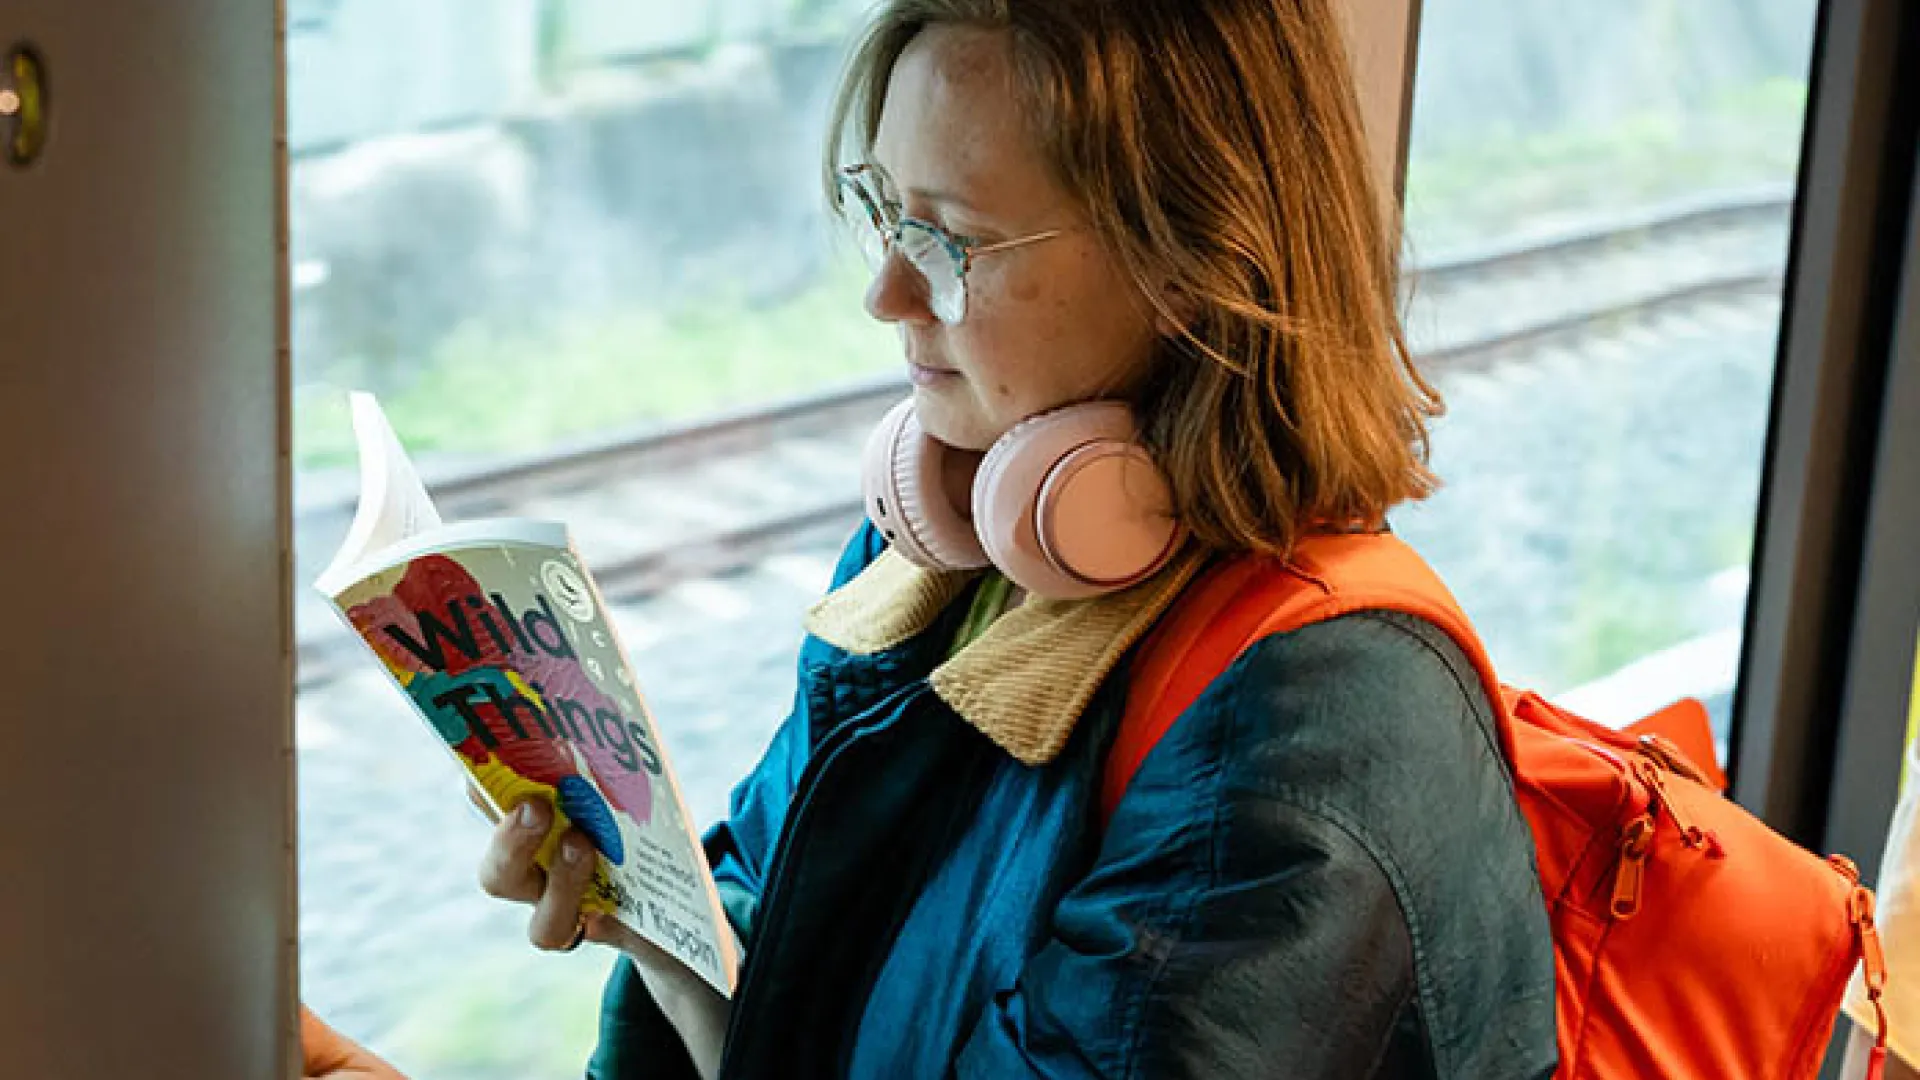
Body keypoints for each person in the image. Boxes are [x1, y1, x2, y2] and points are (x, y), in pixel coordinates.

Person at [313, 0, 1560, 1076]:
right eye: (883, 213)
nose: (887, 294)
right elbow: (779, 992)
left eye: (952, 240)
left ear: (1194, 257)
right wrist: (661, 935)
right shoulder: (938, 564)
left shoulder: (1313, 730)